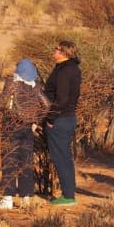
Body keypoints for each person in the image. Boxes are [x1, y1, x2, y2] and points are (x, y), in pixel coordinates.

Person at [0, 58, 50, 209]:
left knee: (9, 161)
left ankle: (7, 200)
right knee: (26, 163)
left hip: (10, 126)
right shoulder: (36, 87)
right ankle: (26, 199)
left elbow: (2, 103)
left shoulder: (13, 83)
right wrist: (36, 122)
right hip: (27, 128)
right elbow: (46, 105)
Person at [44, 40, 82, 206]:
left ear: (64, 52)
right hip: (66, 117)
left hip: (60, 119)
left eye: (57, 49)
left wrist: (51, 118)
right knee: (64, 157)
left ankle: (68, 196)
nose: (54, 51)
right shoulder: (69, 68)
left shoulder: (66, 70)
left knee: (60, 157)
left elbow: (62, 99)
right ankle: (68, 193)